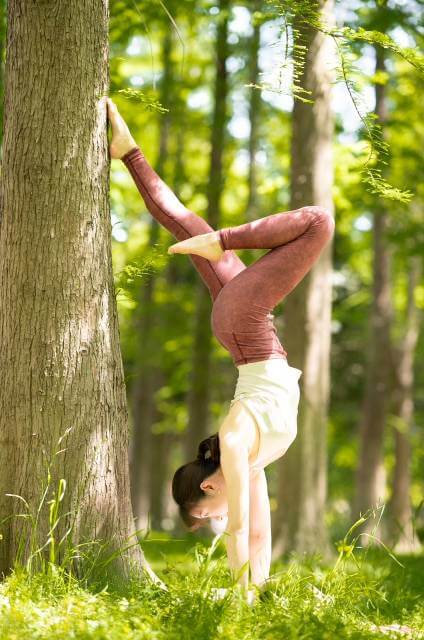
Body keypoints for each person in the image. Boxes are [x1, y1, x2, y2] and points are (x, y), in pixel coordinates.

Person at [106, 97, 335, 594]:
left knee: (317, 221)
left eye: (206, 512)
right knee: (189, 226)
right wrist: (254, 594)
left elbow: (237, 530)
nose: (218, 517)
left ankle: (133, 157)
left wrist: (236, 599)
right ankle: (131, 157)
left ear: (207, 487)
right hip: (243, 328)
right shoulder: (248, 462)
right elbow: (257, 532)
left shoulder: (233, 447)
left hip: (246, 325)